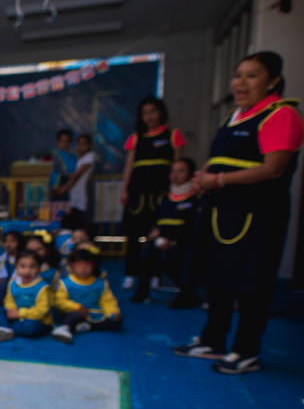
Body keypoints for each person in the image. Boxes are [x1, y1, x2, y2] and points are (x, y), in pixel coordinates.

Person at [174, 51, 303, 374]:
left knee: (251, 282)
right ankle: (213, 341)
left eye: (252, 75)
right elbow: (221, 158)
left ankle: (246, 351)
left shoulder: (281, 115)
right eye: (238, 75)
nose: (240, 83)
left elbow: (274, 168)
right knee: (219, 278)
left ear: (273, 80)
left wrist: (217, 180)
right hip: (222, 212)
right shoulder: (234, 116)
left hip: (258, 214)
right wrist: (203, 177)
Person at [120, 97, 187, 289]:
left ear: (161, 112)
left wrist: (174, 192)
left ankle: (155, 274)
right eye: (145, 113)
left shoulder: (173, 135)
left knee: (159, 234)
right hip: (137, 193)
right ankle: (130, 273)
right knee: (133, 235)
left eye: (152, 111)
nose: (149, 117)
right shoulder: (136, 138)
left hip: (161, 193)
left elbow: (178, 167)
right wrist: (124, 189)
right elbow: (129, 166)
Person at [131, 157, 200, 306]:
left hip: (184, 244)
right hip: (162, 241)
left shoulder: (196, 198)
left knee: (176, 255)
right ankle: (142, 292)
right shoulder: (164, 199)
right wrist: (154, 233)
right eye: (173, 171)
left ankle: (187, 294)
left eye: (181, 171)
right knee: (146, 251)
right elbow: (156, 222)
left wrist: (172, 241)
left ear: (190, 174)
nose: (175, 175)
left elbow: (194, 229)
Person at [51, 247, 121, 343]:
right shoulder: (66, 283)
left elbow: (107, 301)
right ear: (72, 266)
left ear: (93, 266)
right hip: (75, 312)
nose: (83, 269)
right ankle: (66, 328)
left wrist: (113, 312)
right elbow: (59, 302)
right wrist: (76, 307)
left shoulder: (101, 283)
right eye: (79, 265)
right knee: (72, 317)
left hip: (95, 313)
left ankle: (87, 327)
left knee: (117, 322)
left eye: (87, 265)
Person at [0, 249, 53, 342]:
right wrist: (11, 310)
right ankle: (4, 328)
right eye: (22, 266)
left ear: (40, 268)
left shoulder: (43, 288)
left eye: (32, 267)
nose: (27, 271)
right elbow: (9, 301)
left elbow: (42, 311)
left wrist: (19, 313)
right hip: (17, 318)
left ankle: (2, 327)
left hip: (37, 320)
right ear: (16, 268)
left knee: (32, 327)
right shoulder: (12, 284)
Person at [56, 133, 96, 229]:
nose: (81, 146)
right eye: (79, 144)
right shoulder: (76, 158)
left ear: (89, 145)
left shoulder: (90, 156)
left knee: (81, 224)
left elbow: (77, 175)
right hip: (73, 197)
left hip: (83, 197)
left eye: (84, 144)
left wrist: (64, 188)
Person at [49, 129, 77, 200]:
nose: (65, 143)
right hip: (58, 186)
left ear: (70, 142)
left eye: (67, 141)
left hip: (71, 187)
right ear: (57, 142)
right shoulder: (56, 154)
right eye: (62, 141)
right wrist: (69, 175)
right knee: (58, 208)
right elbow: (59, 169)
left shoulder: (73, 156)